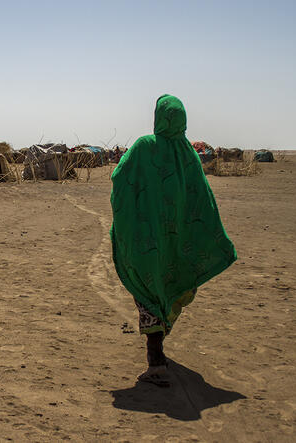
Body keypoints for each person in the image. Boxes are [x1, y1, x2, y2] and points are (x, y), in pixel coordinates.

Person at [110, 95, 236, 385]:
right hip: (179, 245)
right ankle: (159, 347)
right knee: (168, 289)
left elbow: (120, 178)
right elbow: (202, 200)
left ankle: (156, 362)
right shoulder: (188, 155)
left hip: (146, 241)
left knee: (147, 292)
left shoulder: (144, 147)